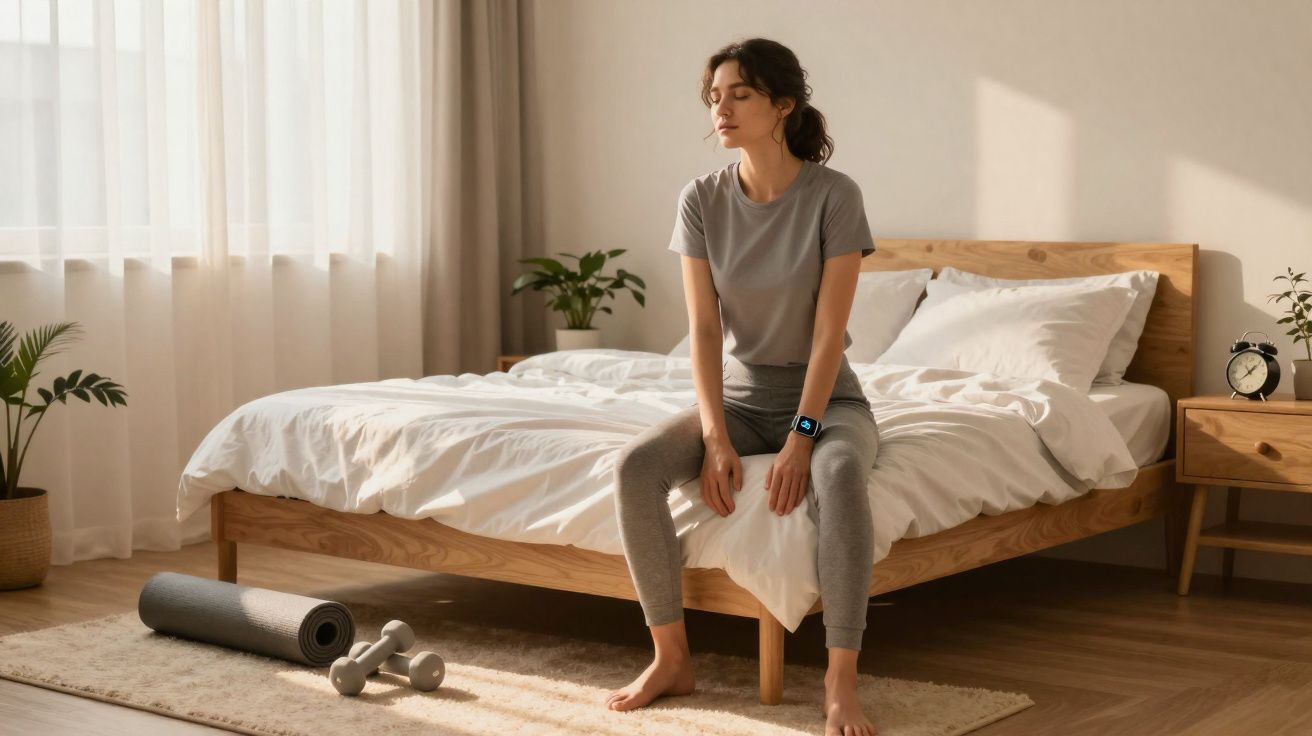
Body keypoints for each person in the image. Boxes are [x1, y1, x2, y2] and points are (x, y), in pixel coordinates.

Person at [607, 37, 881, 736]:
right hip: (737, 398)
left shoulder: (834, 197)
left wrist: (802, 440)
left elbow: (827, 336)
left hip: (827, 401)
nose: (720, 108)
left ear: (783, 105)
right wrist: (714, 433)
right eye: (715, 96)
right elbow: (702, 331)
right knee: (636, 466)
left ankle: (839, 680)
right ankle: (671, 656)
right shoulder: (700, 198)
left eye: (740, 94)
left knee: (842, 476)